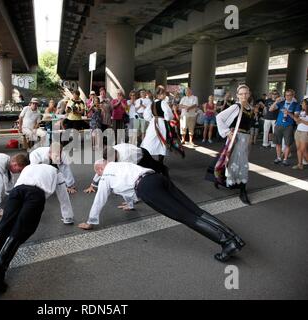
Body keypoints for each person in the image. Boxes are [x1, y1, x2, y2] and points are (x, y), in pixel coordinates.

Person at [78, 161, 245, 263]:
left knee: (187, 217)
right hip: (156, 178)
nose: (98, 175)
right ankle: (233, 237)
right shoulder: (121, 165)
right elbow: (126, 186)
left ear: (100, 169)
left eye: (97, 172)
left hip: (147, 188)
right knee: (194, 210)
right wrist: (130, 204)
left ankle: (226, 243)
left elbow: (100, 199)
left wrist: (91, 221)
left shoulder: (106, 176)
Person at [0, 163, 75, 293]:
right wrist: (68, 218)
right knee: (19, 231)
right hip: (36, 195)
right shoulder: (56, 172)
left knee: (3, 227)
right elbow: (63, 197)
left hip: (16, 191)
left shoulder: (30, 166)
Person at [216, 84, 254, 205]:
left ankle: (226, 181)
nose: (244, 95)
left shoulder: (250, 107)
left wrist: (249, 138)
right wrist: (228, 133)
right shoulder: (236, 107)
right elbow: (219, 117)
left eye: (246, 93)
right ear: (237, 95)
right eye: (241, 93)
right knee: (237, 162)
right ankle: (242, 190)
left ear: (249, 94)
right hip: (236, 138)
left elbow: (248, 125)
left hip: (245, 139)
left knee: (238, 162)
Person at [83, 143, 169, 194]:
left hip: (142, 156)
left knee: (153, 169)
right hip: (134, 151)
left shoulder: (126, 158)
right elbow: (100, 168)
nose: (109, 162)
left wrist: (130, 195)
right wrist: (92, 185)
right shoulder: (110, 153)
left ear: (114, 155)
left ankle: (164, 173)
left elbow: (131, 175)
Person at [141, 87, 174, 166]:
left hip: (153, 123)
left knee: (150, 140)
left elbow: (146, 115)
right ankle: (160, 162)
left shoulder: (151, 103)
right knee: (161, 141)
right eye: (163, 94)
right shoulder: (163, 103)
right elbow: (169, 115)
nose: (164, 95)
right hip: (161, 123)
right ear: (159, 95)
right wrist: (166, 118)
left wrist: (151, 120)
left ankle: (148, 159)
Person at [269, 89, 301, 166]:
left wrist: (288, 113)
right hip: (278, 125)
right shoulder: (281, 103)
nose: (287, 97)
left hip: (288, 126)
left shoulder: (296, 105)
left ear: (293, 96)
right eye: (286, 95)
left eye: (289, 95)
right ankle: (278, 158)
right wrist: (276, 101)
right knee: (278, 143)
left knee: (287, 144)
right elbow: (270, 109)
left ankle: (285, 159)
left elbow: (296, 118)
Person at [292, 97, 308, 170]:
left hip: (305, 132)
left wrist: (301, 121)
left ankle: (301, 164)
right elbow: (298, 122)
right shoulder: (302, 111)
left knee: (302, 150)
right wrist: (297, 120)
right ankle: (300, 164)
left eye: (303, 103)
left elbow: (303, 122)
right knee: (299, 149)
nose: (302, 104)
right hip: (298, 131)